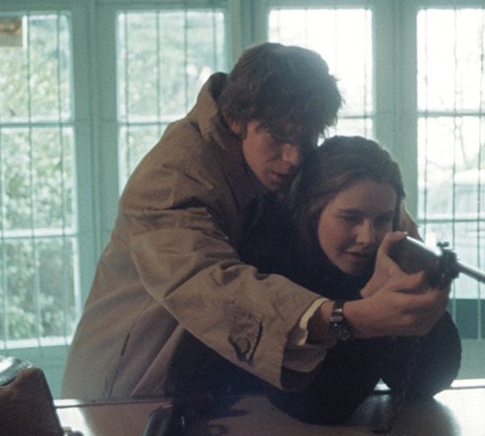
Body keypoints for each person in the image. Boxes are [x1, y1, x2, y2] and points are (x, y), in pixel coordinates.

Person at [61, 42, 450, 400]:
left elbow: (345, 183)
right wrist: (349, 318)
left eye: (307, 139)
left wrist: (396, 229)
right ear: (235, 118)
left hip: (203, 391)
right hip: (123, 392)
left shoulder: (269, 157)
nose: (294, 158)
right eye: (278, 137)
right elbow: (211, 286)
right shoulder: (170, 180)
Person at [261, 136, 462, 424]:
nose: (368, 237)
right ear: (312, 212)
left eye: (382, 220)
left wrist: (415, 281)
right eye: (350, 218)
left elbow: (428, 382)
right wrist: (368, 305)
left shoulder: (382, 260)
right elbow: (318, 405)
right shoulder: (276, 270)